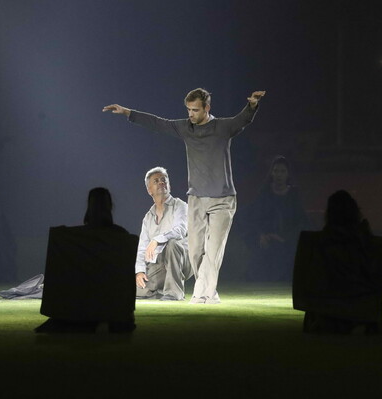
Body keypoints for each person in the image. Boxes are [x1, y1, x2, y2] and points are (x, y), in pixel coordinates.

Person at [103, 88, 265, 304]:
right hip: (196, 198)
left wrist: (252, 105)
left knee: (213, 249)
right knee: (196, 250)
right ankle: (209, 292)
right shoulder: (185, 128)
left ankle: (202, 294)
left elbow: (242, 120)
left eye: (195, 110)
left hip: (222, 199)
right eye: (188, 109)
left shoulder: (223, 127)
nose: (191, 114)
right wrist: (127, 113)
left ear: (207, 108)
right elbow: (157, 123)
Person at [292, 190, 382, 334]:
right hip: (362, 305)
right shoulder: (372, 245)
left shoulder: (316, 244)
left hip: (326, 305)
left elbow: (307, 280)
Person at [37, 187, 138, 333]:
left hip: (84, 303)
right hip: (112, 304)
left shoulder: (75, 239)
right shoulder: (121, 237)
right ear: (110, 206)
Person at [246, 156, 311, 281]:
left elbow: (301, 221)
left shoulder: (294, 194)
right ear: (271, 173)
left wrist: (284, 237)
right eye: (276, 171)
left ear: (287, 174)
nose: (279, 175)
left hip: (288, 239)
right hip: (265, 238)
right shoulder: (264, 192)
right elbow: (256, 218)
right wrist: (262, 235)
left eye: (282, 171)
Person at [135, 167, 192, 301]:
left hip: (183, 260)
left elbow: (180, 231)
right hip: (159, 264)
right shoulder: (148, 217)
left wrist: (157, 240)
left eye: (163, 180)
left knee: (172, 244)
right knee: (133, 290)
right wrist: (140, 271)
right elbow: (142, 247)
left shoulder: (180, 206)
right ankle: (158, 291)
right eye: (156, 181)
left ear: (168, 185)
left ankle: (174, 293)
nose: (161, 183)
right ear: (149, 190)